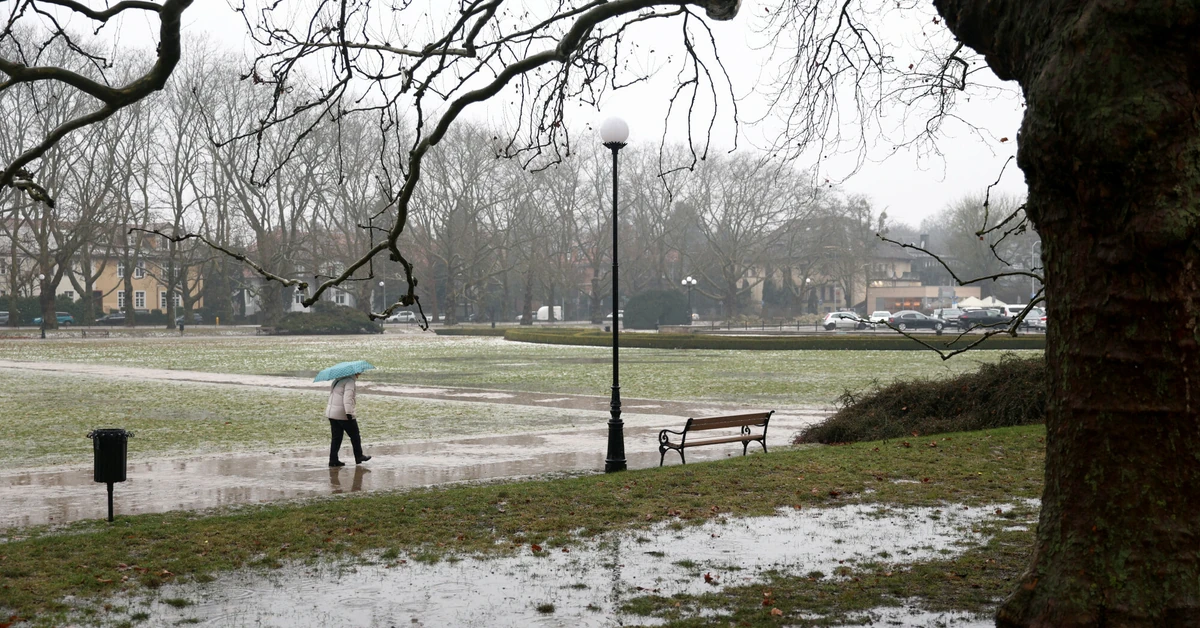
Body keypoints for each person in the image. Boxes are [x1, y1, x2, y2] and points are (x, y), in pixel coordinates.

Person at [326, 373, 371, 467]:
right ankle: (359, 456)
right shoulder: (350, 382)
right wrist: (349, 413)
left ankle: (333, 460)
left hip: (332, 413)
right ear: (354, 373)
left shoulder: (336, 380)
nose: (360, 374)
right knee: (355, 435)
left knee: (336, 438)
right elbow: (347, 398)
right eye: (359, 372)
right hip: (342, 413)